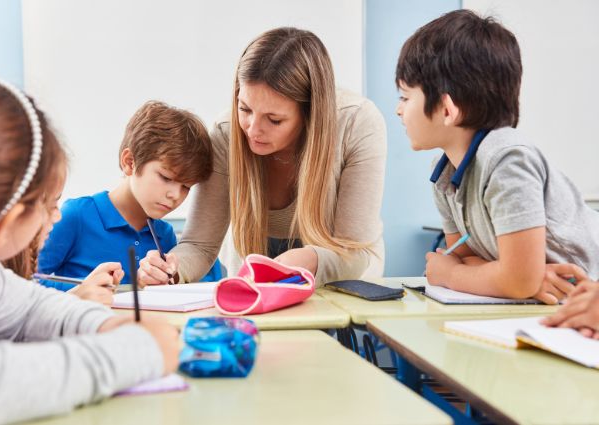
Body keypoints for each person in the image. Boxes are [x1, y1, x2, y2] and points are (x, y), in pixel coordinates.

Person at [0, 73, 179, 424]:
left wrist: (108, 327)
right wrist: (138, 353)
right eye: (47, 205)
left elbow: (31, 309)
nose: (56, 215)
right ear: (7, 220)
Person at [138, 27, 387, 287]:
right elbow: (200, 245)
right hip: (253, 276)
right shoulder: (226, 132)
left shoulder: (357, 123)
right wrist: (169, 270)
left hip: (342, 277)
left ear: (310, 114)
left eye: (274, 119)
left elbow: (355, 253)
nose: (253, 131)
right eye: (245, 109)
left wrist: (311, 259)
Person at [395, 10, 599, 304]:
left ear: (447, 110)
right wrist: (518, 279)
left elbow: (504, 277)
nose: (399, 110)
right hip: (558, 303)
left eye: (405, 97)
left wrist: (450, 275)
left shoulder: (507, 160)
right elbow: (468, 260)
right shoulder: (443, 175)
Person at [38, 100, 222, 289]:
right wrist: (83, 292)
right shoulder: (76, 216)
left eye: (186, 187)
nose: (175, 195)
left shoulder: (164, 236)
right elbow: (27, 281)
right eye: (166, 178)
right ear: (129, 162)